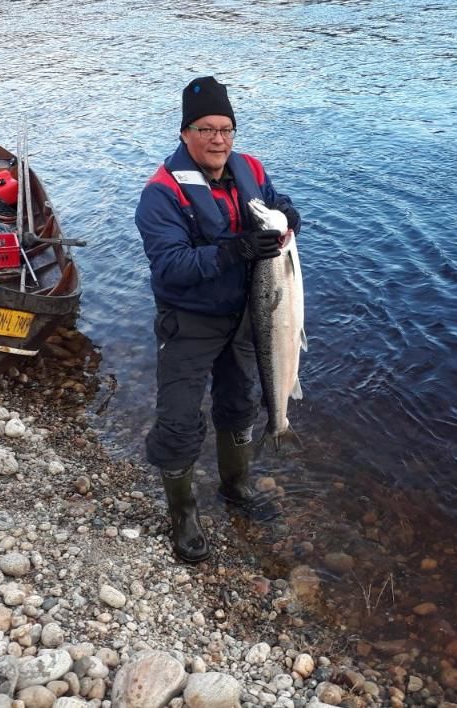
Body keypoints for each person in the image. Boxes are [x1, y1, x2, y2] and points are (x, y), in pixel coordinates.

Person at [135, 76, 301, 563]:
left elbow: (279, 203)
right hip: (188, 322)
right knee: (180, 420)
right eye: (206, 129)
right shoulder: (161, 194)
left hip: (250, 316)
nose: (218, 139)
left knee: (239, 405)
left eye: (226, 128)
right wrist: (235, 251)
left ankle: (237, 486)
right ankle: (183, 514)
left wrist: (287, 217)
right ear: (185, 133)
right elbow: (170, 266)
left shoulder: (249, 168)